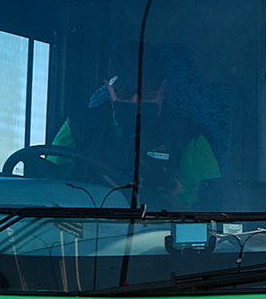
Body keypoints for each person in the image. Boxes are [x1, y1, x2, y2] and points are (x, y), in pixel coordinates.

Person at [48, 46, 220, 207]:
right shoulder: (78, 126)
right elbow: (49, 185)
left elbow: (208, 209)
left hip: (157, 233)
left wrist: (167, 198)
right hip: (85, 231)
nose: (135, 101)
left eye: (145, 92)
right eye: (125, 92)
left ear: (162, 88)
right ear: (109, 89)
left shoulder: (189, 137)